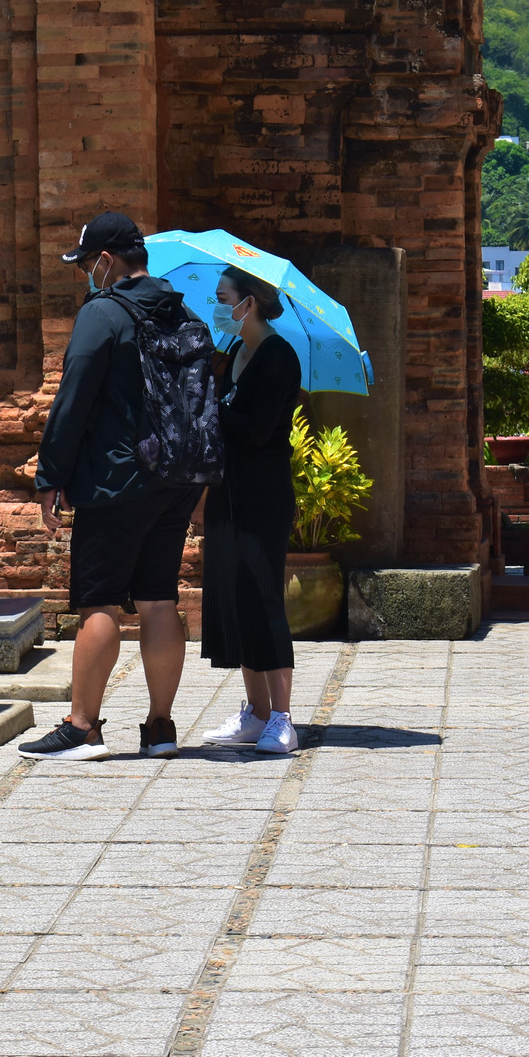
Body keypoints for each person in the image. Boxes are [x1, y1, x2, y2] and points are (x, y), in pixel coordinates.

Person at [18, 212, 205, 761]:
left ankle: (82, 728)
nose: (85, 275)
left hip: (118, 478)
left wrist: (51, 474)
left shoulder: (103, 314)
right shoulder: (180, 308)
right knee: (158, 598)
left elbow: (73, 396)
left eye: (85, 264)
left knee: (99, 601)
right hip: (175, 477)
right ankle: (161, 728)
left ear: (105, 260)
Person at [198, 266, 303, 754]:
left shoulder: (278, 355)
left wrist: (210, 410)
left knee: (264, 599)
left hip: (264, 497)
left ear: (250, 302)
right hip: (228, 493)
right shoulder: (235, 353)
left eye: (223, 297)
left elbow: (258, 429)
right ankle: (255, 712)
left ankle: (282, 716)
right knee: (235, 601)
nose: (218, 305)